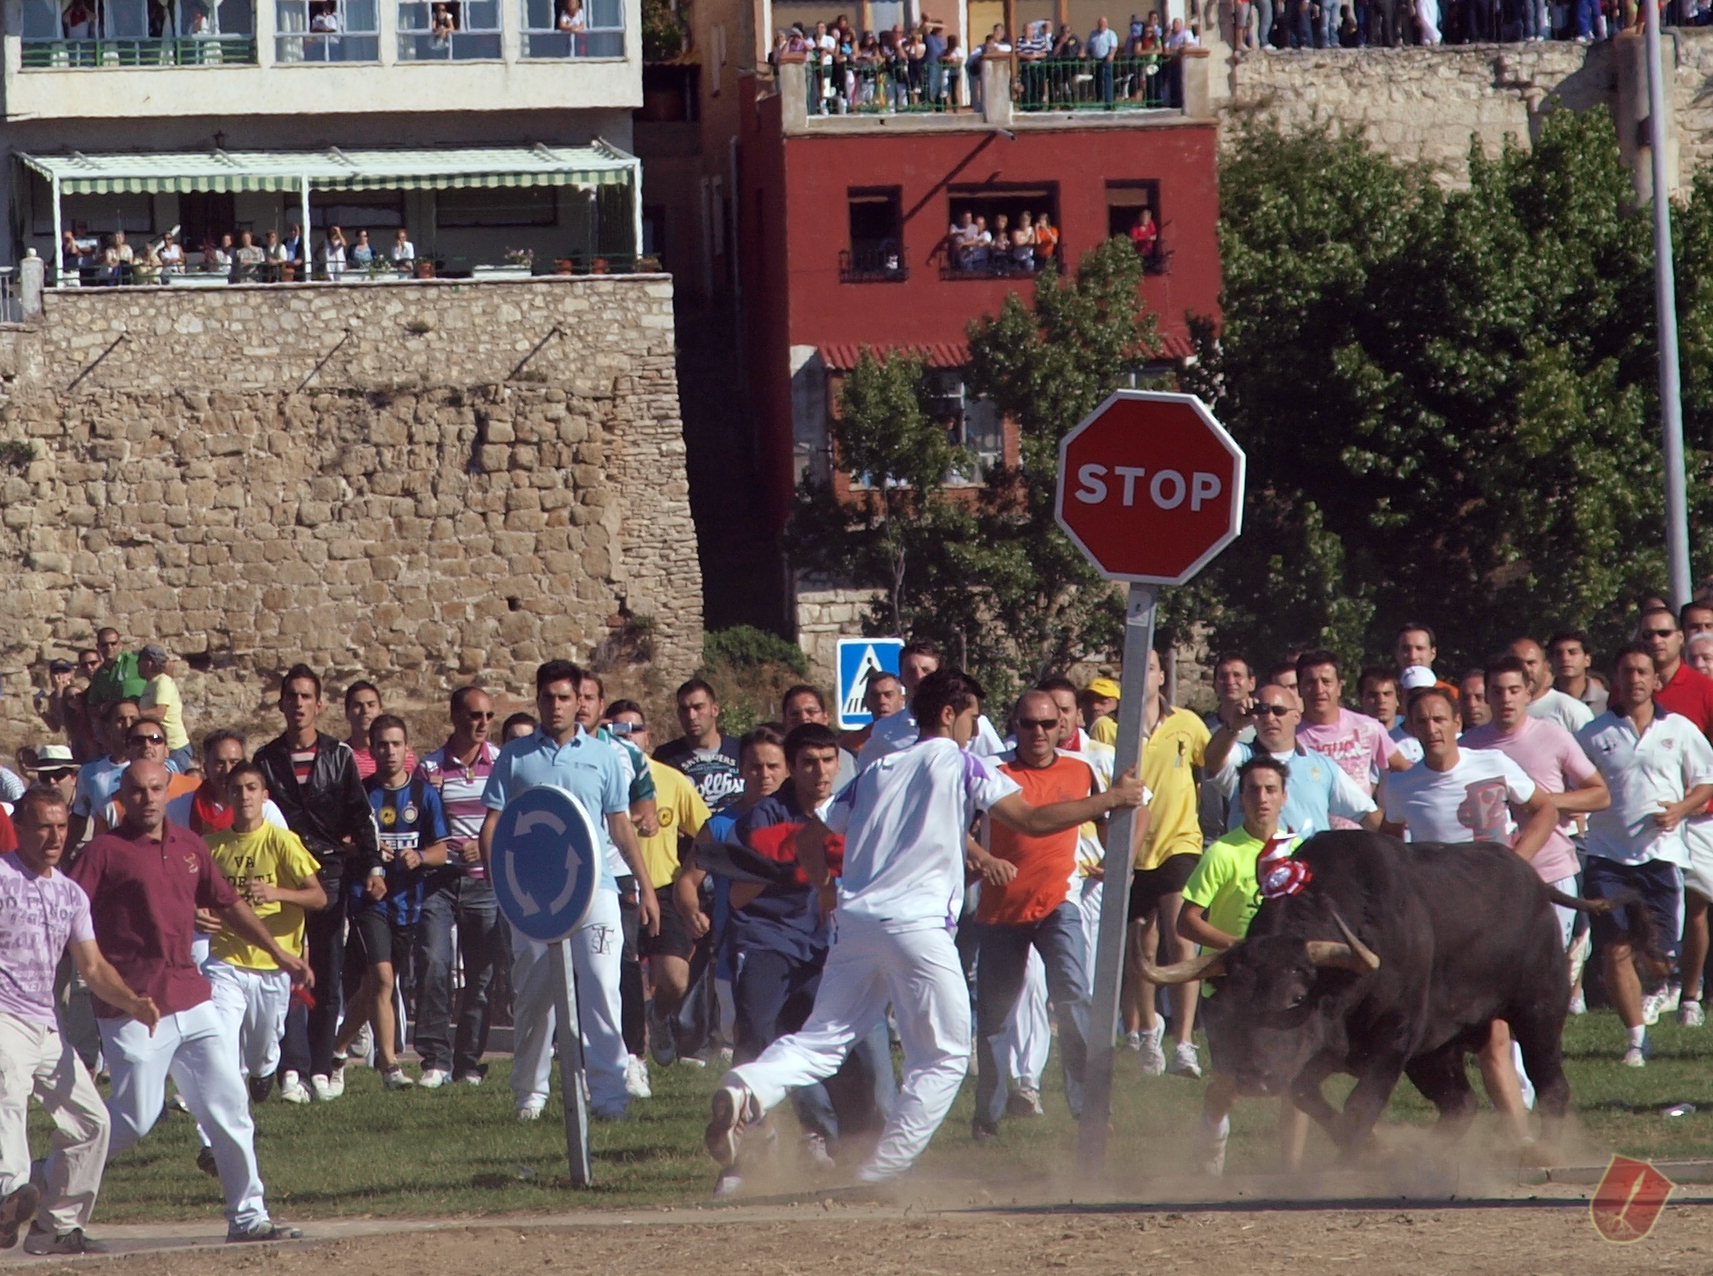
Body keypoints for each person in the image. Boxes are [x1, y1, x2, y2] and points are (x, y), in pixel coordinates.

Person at [704, 669, 1146, 1184]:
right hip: (919, 928)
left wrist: (826, 888)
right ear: (948, 713)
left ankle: (746, 1088)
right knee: (945, 1056)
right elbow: (1029, 819)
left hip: (856, 924)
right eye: (972, 716)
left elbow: (809, 839)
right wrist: (1111, 800)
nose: (975, 728)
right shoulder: (961, 762)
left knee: (821, 1041)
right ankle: (880, 1172)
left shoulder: (877, 769)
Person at [69, 762, 309, 1244]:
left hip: (192, 996)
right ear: (122, 797)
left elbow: (229, 904)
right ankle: (45, 1188)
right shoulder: (102, 852)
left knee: (230, 1106)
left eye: (156, 789)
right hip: (133, 1006)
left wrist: (279, 953)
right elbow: (68, 912)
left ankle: (248, 1217)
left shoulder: (190, 846)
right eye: (138, 791)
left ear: (167, 791)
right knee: (133, 1119)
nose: (148, 799)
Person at [705, 723, 895, 1193]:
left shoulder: (854, 807)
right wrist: (800, 861)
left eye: (829, 760)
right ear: (793, 767)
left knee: (848, 1055)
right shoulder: (765, 816)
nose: (820, 771)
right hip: (767, 940)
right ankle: (745, 1160)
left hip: (831, 947)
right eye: (808, 763)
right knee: (756, 1037)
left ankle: (859, 1159)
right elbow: (741, 896)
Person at [480, 660, 659, 1121]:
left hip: (596, 889)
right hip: (532, 895)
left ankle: (610, 1095)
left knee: (601, 986)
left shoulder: (605, 755)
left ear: (580, 700)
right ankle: (530, 1095)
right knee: (535, 996)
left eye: (565, 697)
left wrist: (645, 886)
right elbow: (494, 823)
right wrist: (501, 886)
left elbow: (620, 824)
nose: (556, 706)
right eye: (548, 697)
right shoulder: (515, 756)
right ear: (538, 699)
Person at [1379, 686, 1559, 1139]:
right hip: (1441, 921)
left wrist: (1515, 864)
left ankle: (1523, 1136)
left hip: (1496, 916)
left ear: (1457, 722)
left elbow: (1544, 809)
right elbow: (1389, 841)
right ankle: (1485, 1128)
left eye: (1440, 719)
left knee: (1496, 1030)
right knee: (1457, 1029)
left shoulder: (1492, 763)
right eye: (1422, 721)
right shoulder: (1400, 784)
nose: (1432, 729)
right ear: (1411, 728)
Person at [970, 691, 1138, 1141]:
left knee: (1075, 996)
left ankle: (1089, 1108)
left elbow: (1125, 814)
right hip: (1001, 910)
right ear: (1014, 725)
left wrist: (1121, 858)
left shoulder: (1082, 768)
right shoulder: (991, 770)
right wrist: (983, 859)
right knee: (995, 1017)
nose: (1039, 733)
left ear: (1062, 725)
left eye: (1048, 723)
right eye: (1029, 724)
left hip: (1058, 902)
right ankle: (987, 1116)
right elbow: (956, 826)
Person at [0, 788, 160, 1257]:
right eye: (43, 827)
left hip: (47, 1024)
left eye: (61, 827)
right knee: (7, 1094)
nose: (54, 837)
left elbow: (92, 966)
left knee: (92, 1123)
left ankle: (58, 1228)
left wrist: (133, 1002)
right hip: (3, 1017)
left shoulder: (70, 894)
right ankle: (8, 1193)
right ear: (20, 828)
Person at [1575, 645, 1713, 1064]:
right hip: (1606, 857)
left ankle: (1667, 981)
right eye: (1627, 672)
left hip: (1662, 856)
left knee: (1658, 958)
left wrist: (1681, 809)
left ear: (1656, 680)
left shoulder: (1679, 729)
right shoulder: (1594, 734)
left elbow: (1706, 781)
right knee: (1615, 947)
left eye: (1642, 672)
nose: (1634, 679)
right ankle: (1637, 1039)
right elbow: (1576, 783)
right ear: (1616, 680)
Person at [254, 664, 380, 1105]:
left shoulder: (338, 756)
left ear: (319, 705)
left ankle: (322, 1066)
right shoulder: (266, 759)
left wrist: (373, 867)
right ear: (281, 704)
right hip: (282, 878)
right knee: (287, 972)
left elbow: (360, 816)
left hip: (327, 874)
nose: (299, 704)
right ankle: (292, 1066)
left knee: (327, 973)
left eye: (306, 696)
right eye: (292, 696)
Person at [1180, 757, 1310, 1177]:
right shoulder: (1222, 852)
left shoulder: (1300, 853)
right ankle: (1208, 1162)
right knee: (1229, 1085)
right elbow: (1187, 921)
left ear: (1284, 796)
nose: (1262, 798)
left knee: (1298, 1084)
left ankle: (1289, 1177)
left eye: (1271, 790)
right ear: (1241, 798)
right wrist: (1241, 949)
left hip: (1286, 989)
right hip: (1230, 989)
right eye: (1253, 790)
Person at [199, 764, 326, 1132]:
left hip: (273, 965)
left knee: (262, 1050)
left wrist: (277, 893)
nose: (244, 796)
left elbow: (318, 897)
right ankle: (216, 1137)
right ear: (227, 796)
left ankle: (264, 1070)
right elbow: (189, 895)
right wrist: (196, 912)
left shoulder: (282, 841)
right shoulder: (211, 846)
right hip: (225, 961)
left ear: (264, 795)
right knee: (221, 1045)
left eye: (252, 788)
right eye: (236, 789)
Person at [1461, 656, 1609, 950]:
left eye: (1514, 690)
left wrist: (1544, 801)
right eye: (1497, 691)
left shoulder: (1552, 735)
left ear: (1528, 693)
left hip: (1552, 870)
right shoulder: (1469, 745)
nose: (1506, 699)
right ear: (1487, 695)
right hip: (1495, 876)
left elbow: (1600, 794)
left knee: (1552, 963)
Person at [333, 716, 447, 1090]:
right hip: (368, 899)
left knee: (375, 987)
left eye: (396, 744)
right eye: (382, 744)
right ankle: (390, 1066)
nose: (389, 751)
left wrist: (421, 857)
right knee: (382, 979)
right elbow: (341, 841)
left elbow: (441, 849)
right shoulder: (360, 794)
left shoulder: (424, 794)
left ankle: (335, 1051)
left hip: (407, 901)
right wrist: (367, 848)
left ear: (407, 749)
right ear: (373, 749)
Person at [603, 699, 702, 1097]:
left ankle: (658, 1017)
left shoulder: (672, 780)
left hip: (664, 887)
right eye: (620, 729)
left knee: (675, 979)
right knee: (625, 976)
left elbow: (706, 831)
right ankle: (631, 1057)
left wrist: (689, 881)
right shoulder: (603, 773)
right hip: (619, 886)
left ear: (649, 736)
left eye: (636, 729)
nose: (629, 736)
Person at [1123, 647, 1209, 1077]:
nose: (1143, 674)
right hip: (1132, 849)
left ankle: (1185, 1041)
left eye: (1151, 667)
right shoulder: (1109, 727)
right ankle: (1148, 1031)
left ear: (1162, 676)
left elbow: (1212, 764)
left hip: (1179, 841)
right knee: (1142, 943)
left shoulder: (1188, 723)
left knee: (1180, 936)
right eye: (1136, 666)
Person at [414, 686, 505, 1088]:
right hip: (440, 882)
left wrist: (485, 846)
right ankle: (435, 1058)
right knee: (434, 963)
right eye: (474, 715)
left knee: (481, 975)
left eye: (488, 716)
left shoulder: (501, 763)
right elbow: (419, 823)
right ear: (454, 717)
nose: (482, 723)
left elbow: (512, 819)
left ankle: (468, 1061)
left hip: (485, 881)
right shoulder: (430, 767)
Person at [1203, 681, 1381, 838]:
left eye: (1279, 711)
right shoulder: (1242, 758)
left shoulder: (1322, 766)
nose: (1270, 718)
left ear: (1296, 717)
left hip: (1308, 862)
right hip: (1253, 863)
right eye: (1262, 711)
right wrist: (1233, 726)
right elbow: (1212, 760)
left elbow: (1367, 814)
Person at [858, 639, 1004, 768]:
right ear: (901, 679)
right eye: (911, 671)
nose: (919, 677)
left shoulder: (975, 723)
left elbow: (999, 768)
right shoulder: (884, 730)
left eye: (926, 671)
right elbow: (868, 775)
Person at [1295, 650, 1408, 801]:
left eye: (1326, 682)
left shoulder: (1368, 728)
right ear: (1299, 689)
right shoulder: (1289, 736)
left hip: (1361, 816)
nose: (1319, 690)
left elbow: (1406, 770)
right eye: (1310, 682)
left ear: (1339, 687)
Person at [167, 729, 289, 836]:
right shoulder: (181, 808)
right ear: (206, 768)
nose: (227, 770)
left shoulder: (264, 809)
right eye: (219, 763)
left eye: (234, 762)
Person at [654, 678, 743, 812]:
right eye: (685, 709)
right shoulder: (665, 757)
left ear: (715, 709)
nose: (691, 716)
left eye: (698, 707)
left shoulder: (742, 750)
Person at [68, 699, 141, 849]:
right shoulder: (89, 773)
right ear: (108, 728)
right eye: (120, 720)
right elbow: (79, 818)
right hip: (109, 854)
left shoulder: (161, 769)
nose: (128, 725)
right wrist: (65, 855)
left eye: (133, 719)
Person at [1640, 604, 1713, 739]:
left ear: (1680, 637)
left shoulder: (1706, 689)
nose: (1656, 640)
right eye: (1648, 635)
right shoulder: (1625, 687)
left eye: (1664, 633)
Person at [1509, 637, 1594, 734]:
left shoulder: (1572, 710)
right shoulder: (1501, 709)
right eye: (1517, 664)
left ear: (1545, 666)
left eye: (1531, 663)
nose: (1525, 670)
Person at [780, 685, 858, 788]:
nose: (803, 718)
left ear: (825, 717)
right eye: (794, 714)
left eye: (811, 712)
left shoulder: (849, 760)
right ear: (784, 721)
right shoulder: (771, 758)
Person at [136, 644, 191, 772]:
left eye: (139, 660)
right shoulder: (151, 684)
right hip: (161, 747)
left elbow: (159, 713)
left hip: (174, 749)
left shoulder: (163, 683)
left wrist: (135, 715)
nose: (137, 664)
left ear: (149, 662)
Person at [85, 629, 144, 712]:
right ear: (98, 647)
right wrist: (104, 707)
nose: (109, 648)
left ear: (120, 644)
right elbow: (93, 705)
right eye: (104, 645)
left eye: (113, 643)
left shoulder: (135, 662)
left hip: (140, 715)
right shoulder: (98, 675)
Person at [1081, 676, 1120, 745]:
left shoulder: (1105, 725)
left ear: (1117, 704)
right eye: (1089, 701)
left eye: (1103, 702)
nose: (1094, 707)